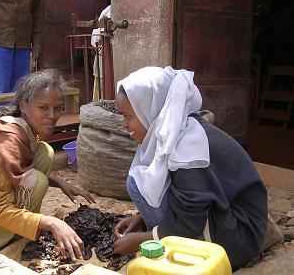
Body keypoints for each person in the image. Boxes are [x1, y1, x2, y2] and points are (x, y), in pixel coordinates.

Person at [112, 66, 268, 270]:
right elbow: (186, 192)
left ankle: (171, 248)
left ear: (148, 110)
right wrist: (141, 218)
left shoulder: (188, 145)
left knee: (136, 183)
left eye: (127, 116)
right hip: (227, 218)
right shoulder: (176, 131)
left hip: (238, 237)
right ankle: (163, 236)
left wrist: (142, 240)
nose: (125, 125)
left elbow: (190, 221)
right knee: (143, 177)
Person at [0, 69, 95, 261]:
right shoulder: (6, 139)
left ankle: (17, 228)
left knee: (45, 153)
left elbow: (17, 170)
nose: (52, 115)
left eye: (57, 108)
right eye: (43, 108)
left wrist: (60, 182)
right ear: (24, 105)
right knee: (36, 182)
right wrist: (50, 223)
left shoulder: (25, 129)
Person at [0, 0, 44, 95]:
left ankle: (16, 111)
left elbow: (38, 16)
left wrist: (37, 43)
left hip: (23, 43)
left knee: (21, 89)